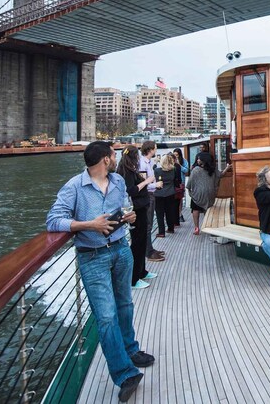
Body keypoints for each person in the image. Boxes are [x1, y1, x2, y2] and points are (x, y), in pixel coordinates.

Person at [46, 141, 154, 402]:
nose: (116, 158)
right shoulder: (74, 187)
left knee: (125, 305)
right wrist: (88, 225)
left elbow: (126, 207)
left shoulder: (117, 181)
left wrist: (130, 217)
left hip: (120, 250)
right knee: (106, 317)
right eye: (113, 154)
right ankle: (125, 373)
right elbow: (52, 220)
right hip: (92, 257)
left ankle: (130, 349)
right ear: (105, 159)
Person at [116, 146, 158, 289]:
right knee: (137, 243)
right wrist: (146, 182)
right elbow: (131, 190)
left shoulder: (130, 169)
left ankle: (142, 271)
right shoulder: (126, 171)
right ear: (134, 156)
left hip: (141, 209)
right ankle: (134, 278)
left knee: (141, 242)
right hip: (136, 211)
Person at [186, 151, 230, 235]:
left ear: (204, 160)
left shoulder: (195, 170)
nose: (198, 160)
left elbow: (190, 183)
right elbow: (220, 175)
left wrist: (190, 191)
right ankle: (206, 227)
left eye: (199, 159)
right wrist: (227, 168)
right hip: (210, 193)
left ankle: (196, 228)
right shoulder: (212, 169)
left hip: (198, 193)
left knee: (195, 209)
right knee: (207, 209)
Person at [139, 141, 165, 262]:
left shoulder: (148, 163)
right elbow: (143, 184)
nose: (156, 151)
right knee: (148, 225)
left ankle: (149, 249)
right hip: (148, 195)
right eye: (155, 149)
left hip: (151, 194)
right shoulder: (142, 164)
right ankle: (148, 252)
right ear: (150, 150)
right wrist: (156, 185)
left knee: (149, 223)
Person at [154, 153, 180, 235]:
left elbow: (153, 171)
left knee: (159, 213)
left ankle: (161, 232)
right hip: (170, 193)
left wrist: (155, 162)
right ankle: (170, 228)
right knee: (170, 211)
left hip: (159, 194)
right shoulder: (173, 169)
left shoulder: (157, 170)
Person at [173, 148, 189, 223]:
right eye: (174, 155)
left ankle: (180, 214)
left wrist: (179, 165)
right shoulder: (171, 160)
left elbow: (186, 170)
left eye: (177, 155)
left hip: (181, 182)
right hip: (173, 183)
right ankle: (175, 215)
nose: (175, 156)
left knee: (180, 200)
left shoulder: (184, 161)